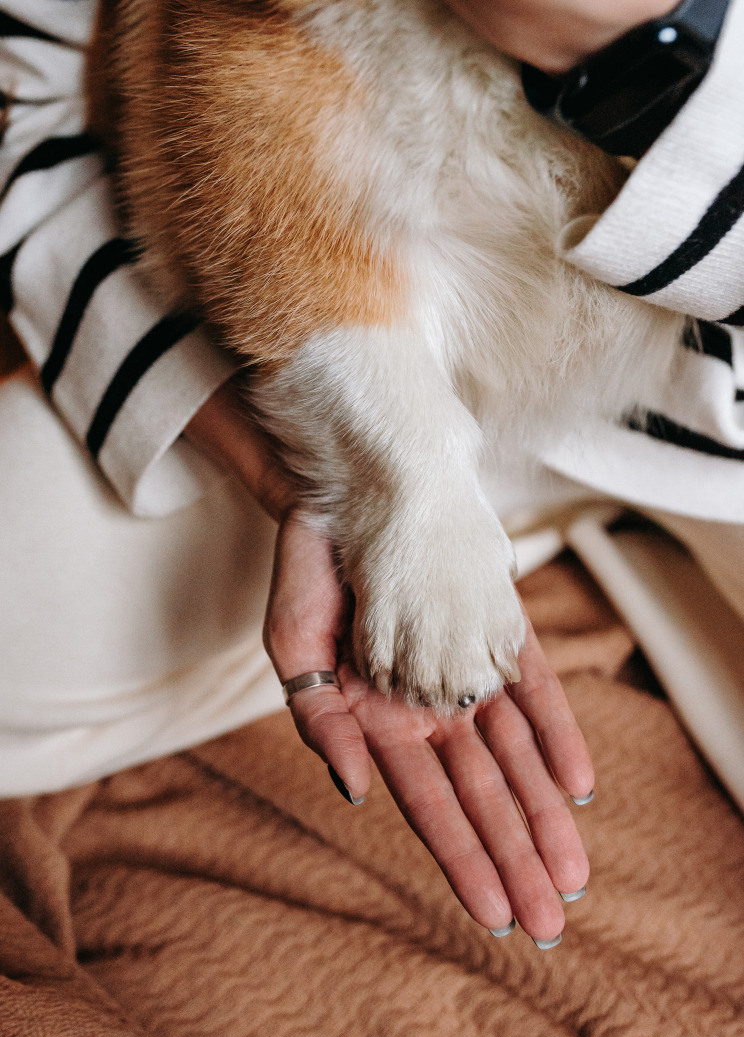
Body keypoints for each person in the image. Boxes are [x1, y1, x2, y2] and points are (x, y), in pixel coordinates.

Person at [0, 0, 742, 951]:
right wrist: (368, 485)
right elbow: (31, 82)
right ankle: (536, 539)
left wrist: (645, 48)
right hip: (370, 387)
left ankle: (616, 550)